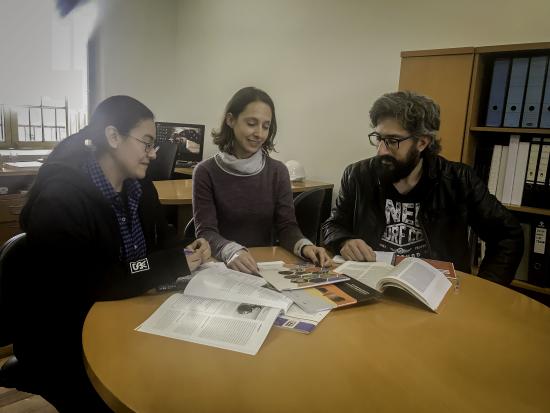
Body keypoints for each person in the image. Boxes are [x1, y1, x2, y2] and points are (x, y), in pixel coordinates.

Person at [14, 95, 211, 412]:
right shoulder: (61, 199)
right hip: (65, 337)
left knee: (189, 374)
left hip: (125, 314)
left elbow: (160, 238)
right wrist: (172, 263)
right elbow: (95, 280)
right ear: (113, 136)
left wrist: (185, 248)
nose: (153, 153)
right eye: (146, 143)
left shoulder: (139, 187)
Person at [322, 91, 523, 285]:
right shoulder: (358, 175)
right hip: (372, 283)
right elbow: (333, 225)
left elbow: (507, 235)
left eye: (392, 141)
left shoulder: (458, 180)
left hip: (434, 290)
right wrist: (344, 241)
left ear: (422, 142)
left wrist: (485, 288)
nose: (381, 150)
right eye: (378, 138)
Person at [192, 86, 331, 274]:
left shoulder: (277, 171)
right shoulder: (205, 171)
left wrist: (305, 246)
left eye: (266, 126)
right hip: (222, 266)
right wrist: (232, 251)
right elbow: (205, 232)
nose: (259, 133)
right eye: (251, 123)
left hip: (263, 266)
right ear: (231, 120)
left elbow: (287, 227)